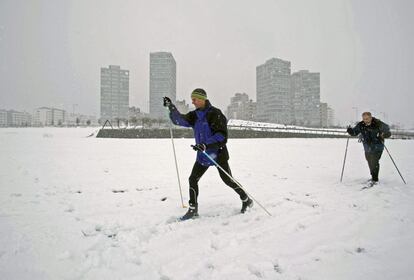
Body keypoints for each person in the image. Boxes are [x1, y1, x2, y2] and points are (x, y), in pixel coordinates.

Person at [163, 88, 253, 220]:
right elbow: (179, 120)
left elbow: (222, 136)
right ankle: (193, 210)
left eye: (195, 99)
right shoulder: (194, 115)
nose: (192, 102)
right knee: (193, 179)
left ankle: (246, 200)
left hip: (218, 154)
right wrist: (171, 107)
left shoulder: (215, 113)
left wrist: (206, 145)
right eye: (192, 99)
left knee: (227, 180)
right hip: (203, 155)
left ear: (202, 99)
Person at [347, 112, 391, 185]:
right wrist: (350, 131)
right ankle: (373, 176)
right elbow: (354, 133)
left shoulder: (377, 123)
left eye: (367, 119)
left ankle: (375, 179)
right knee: (369, 161)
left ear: (371, 117)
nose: (365, 120)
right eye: (364, 119)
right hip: (367, 147)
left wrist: (382, 135)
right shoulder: (361, 125)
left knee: (374, 161)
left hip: (378, 146)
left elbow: (388, 131)